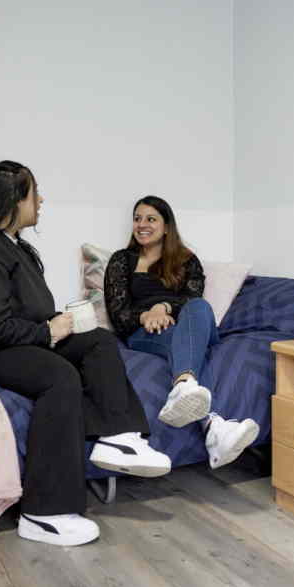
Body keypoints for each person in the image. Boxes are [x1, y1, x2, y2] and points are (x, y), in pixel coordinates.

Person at [0, 161, 170, 547]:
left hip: (13, 336)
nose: (41, 200)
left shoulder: (15, 246)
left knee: (99, 341)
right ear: (12, 199)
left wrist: (58, 322)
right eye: (34, 192)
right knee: (59, 376)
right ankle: (44, 513)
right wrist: (46, 332)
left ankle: (117, 436)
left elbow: (19, 309)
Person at [104, 195, 258, 470]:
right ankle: (215, 427)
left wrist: (162, 307)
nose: (142, 224)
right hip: (144, 333)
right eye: (137, 218)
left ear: (166, 226)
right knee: (191, 351)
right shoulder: (121, 261)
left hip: (190, 325)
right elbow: (118, 313)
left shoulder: (187, 260)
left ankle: (184, 386)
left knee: (198, 307)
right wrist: (146, 316)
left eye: (151, 219)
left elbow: (191, 298)